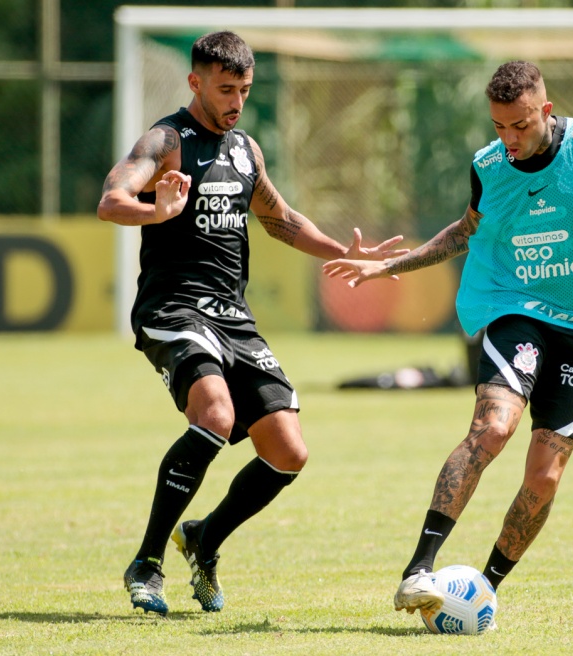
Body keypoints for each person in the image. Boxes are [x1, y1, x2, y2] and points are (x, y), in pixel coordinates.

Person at [323, 60, 573, 619]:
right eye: (499, 127)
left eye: (519, 125)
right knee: (493, 428)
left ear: (544, 109)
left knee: (544, 476)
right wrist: (392, 265)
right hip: (516, 308)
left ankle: (485, 589)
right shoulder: (488, 165)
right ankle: (418, 569)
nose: (509, 139)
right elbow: (466, 230)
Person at [97, 31, 406, 616]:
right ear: (195, 83)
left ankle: (204, 540)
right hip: (173, 308)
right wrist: (155, 210)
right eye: (225, 89)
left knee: (288, 451)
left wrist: (348, 252)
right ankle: (147, 562)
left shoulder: (246, 150)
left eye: (243, 89)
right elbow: (112, 201)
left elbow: (281, 219)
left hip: (232, 316)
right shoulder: (166, 140)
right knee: (215, 414)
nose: (236, 100)